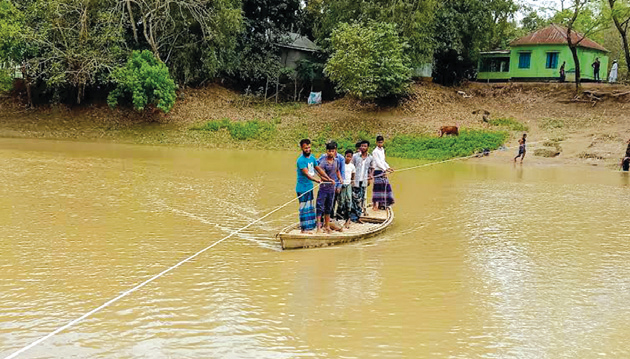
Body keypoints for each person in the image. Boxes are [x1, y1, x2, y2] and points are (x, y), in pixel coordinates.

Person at [296, 139, 331, 233]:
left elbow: (318, 169)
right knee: (304, 208)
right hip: (302, 188)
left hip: (309, 187)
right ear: (302, 148)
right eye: (305, 148)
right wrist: (317, 180)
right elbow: (307, 174)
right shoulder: (300, 160)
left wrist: (328, 178)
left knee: (310, 208)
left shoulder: (312, 158)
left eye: (309, 147)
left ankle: (309, 228)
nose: (308, 149)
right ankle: (303, 230)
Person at [316, 142, 342, 233]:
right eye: (329, 151)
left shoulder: (336, 161)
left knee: (329, 207)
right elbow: (320, 174)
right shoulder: (323, 162)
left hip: (332, 188)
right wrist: (329, 180)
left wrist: (340, 178)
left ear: (335, 151)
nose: (331, 153)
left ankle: (327, 226)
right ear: (326, 151)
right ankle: (319, 227)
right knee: (320, 207)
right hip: (324, 187)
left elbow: (337, 170)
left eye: (332, 151)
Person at [351, 140, 374, 222]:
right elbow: (350, 167)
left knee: (362, 198)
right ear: (360, 147)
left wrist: (370, 175)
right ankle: (354, 217)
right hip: (355, 180)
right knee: (354, 199)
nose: (363, 147)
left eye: (365, 146)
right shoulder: (355, 156)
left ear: (368, 147)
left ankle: (359, 216)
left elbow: (372, 167)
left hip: (363, 181)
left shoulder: (370, 157)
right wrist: (351, 179)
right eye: (362, 146)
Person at [372, 135, 395, 211]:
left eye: (381, 142)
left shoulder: (382, 150)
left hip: (383, 170)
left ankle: (382, 204)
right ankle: (374, 205)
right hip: (377, 171)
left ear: (383, 142)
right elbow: (378, 163)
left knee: (385, 187)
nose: (380, 144)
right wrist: (385, 169)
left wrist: (388, 167)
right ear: (376, 142)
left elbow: (383, 161)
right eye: (379, 142)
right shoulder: (375, 152)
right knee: (377, 188)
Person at [336, 149, 356, 228]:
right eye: (347, 156)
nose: (348, 158)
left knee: (349, 201)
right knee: (341, 202)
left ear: (351, 158)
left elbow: (353, 173)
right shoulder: (341, 165)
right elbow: (338, 174)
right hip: (341, 185)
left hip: (348, 185)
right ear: (344, 156)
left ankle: (348, 220)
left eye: (350, 157)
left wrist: (352, 181)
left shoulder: (352, 166)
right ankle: (337, 218)